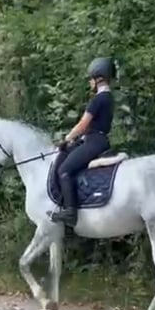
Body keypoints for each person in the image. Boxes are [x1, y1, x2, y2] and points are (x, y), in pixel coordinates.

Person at [50, 57, 116, 227]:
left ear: (98, 78)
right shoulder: (109, 98)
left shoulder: (98, 100)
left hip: (94, 142)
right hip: (99, 140)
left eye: (91, 79)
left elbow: (83, 124)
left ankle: (71, 212)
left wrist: (66, 139)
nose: (90, 82)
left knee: (64, 170)